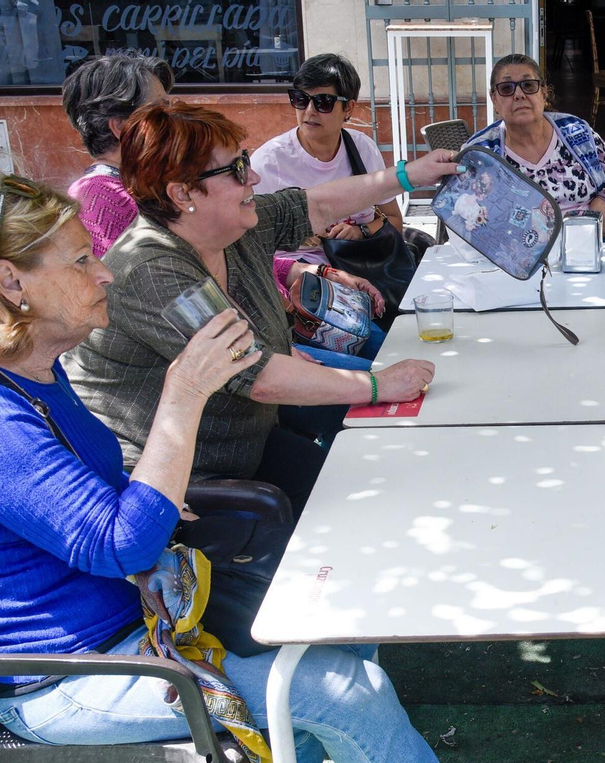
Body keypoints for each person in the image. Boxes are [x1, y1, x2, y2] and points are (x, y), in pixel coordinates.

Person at [0, 173, 590, 763]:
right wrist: (185, 392)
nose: (102, 271)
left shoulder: (26, 371)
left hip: (136, 618)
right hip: (63, 675)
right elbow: (122, 546)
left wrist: (150, 504)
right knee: (342, 689)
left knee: (344, 619)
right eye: (77, 260)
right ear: (11, 283)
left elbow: (75, 509)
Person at [66, 101, 460, 514]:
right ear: (182, 193)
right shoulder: (153, 268)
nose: (252, 176)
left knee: (393, 469)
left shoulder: (227, 226)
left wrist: (410, 174)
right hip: (182, 486)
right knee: (368, 500)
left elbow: (314, 204)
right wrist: (380, 386)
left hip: (248, 439)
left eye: (247, 161)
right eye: (236, 170)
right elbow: (259, 376)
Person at [252, 52, 412, 317]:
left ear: (348, 108)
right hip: (309, 292)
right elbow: (246, 245)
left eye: (323, 102)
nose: (309, 111)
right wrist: (298, 236)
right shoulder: (269, 162)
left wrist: (360, 231)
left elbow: (394, 221)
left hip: (368, 272)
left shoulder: (362, 148)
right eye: (300, 99)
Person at [464, 54, 605, 240]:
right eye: (506, 88)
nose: (519, 95)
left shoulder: (576, 131)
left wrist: (602, 204)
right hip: (520, 259)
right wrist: (570, 230)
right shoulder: (481, 152)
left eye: (528, 85)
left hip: (593, 248)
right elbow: (470, 219)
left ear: (544, 92)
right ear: (494, 100)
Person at [61, 53, 173, 257]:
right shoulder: (99, 196)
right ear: (122, 126)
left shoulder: (140, 180)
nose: (172, 118)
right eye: (159, 109)